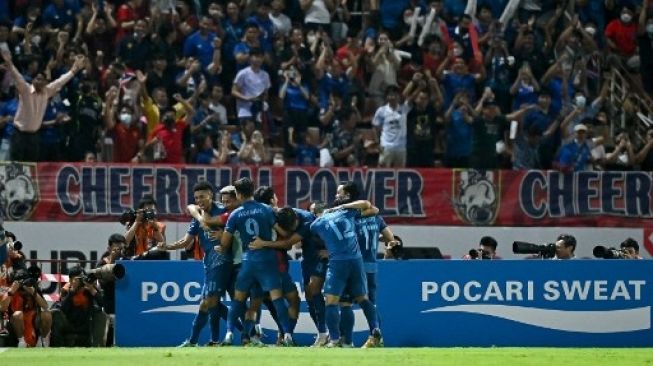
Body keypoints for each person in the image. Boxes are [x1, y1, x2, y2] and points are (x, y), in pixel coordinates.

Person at [158, 181, 234, 347]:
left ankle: (202, 340)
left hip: (222, 260)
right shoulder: (197, 214)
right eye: (197, 197)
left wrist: (223, 234)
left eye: (203, 196)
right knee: (208, 303)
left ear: (211, 195)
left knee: (209, 302)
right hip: (209, 263)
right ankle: (238, 333)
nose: (199, 200)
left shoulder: (223, 211)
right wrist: (167, 246)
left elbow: (236, 232)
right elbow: (186, 242)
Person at [220, 177, 294, 346]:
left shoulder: (235, 214)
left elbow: (224, 243)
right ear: (252, 191)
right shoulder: (266, 209)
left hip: (248, 261)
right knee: (276, 299)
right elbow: (282, 231)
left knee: (238, 300)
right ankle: (287, 335)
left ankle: (230, 333)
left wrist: (222, 245)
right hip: (268, 260)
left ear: (238, 194)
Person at [310, 187, 382, 348]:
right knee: (363, 298)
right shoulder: (348, 213)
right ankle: (375, 329)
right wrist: (341, 208)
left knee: (331, 301)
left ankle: (335, 340)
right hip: (356, 261)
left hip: (338, 262)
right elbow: (370, 206)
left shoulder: (318, 223)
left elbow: (314, 230)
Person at [333, 182, 395, 348]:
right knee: (370, 303)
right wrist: (387, 247)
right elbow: (391, 239)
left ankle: (346, 341)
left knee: (345, 303)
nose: (336, 196)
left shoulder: (348, 215)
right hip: (371, 266)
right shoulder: (375, 216)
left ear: (347, 196)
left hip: (353, 266)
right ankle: (376, 336)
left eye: (339, 193)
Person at [0, 49, 85, 162]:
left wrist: (74, 70)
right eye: (37, 79)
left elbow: (60, 81)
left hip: (34, 136)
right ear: (33, 80)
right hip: (19, 135)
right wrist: (9, 63)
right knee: (16, 166)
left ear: (45, 82)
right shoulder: (25, 89)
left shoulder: (47, 91)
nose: (39, 81)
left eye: (42, 79)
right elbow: (17, 76)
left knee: (31, 167)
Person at [51, 266, 107, 347]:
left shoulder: (88, 289)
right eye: (78, 279)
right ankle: (57, 347)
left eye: (82, 278)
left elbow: (102, 303)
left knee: (101, 315)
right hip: (69, 322)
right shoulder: (67, 290)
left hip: (85, 322)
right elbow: (63, 309)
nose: (81, 281)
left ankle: (97, 347)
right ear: (70, 280)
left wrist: (92, 290)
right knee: (56, 314)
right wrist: (72, 292)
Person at [0, 268, 52, 347]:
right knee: (18, 314)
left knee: (47, 314)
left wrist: (33, 293)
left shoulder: (33, 288)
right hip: (16, 322)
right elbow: (3, 308)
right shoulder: (11, 291)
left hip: (34, 320)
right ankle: (21, 342)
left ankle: (43, 341)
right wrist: (11, 292)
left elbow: (45, 306)